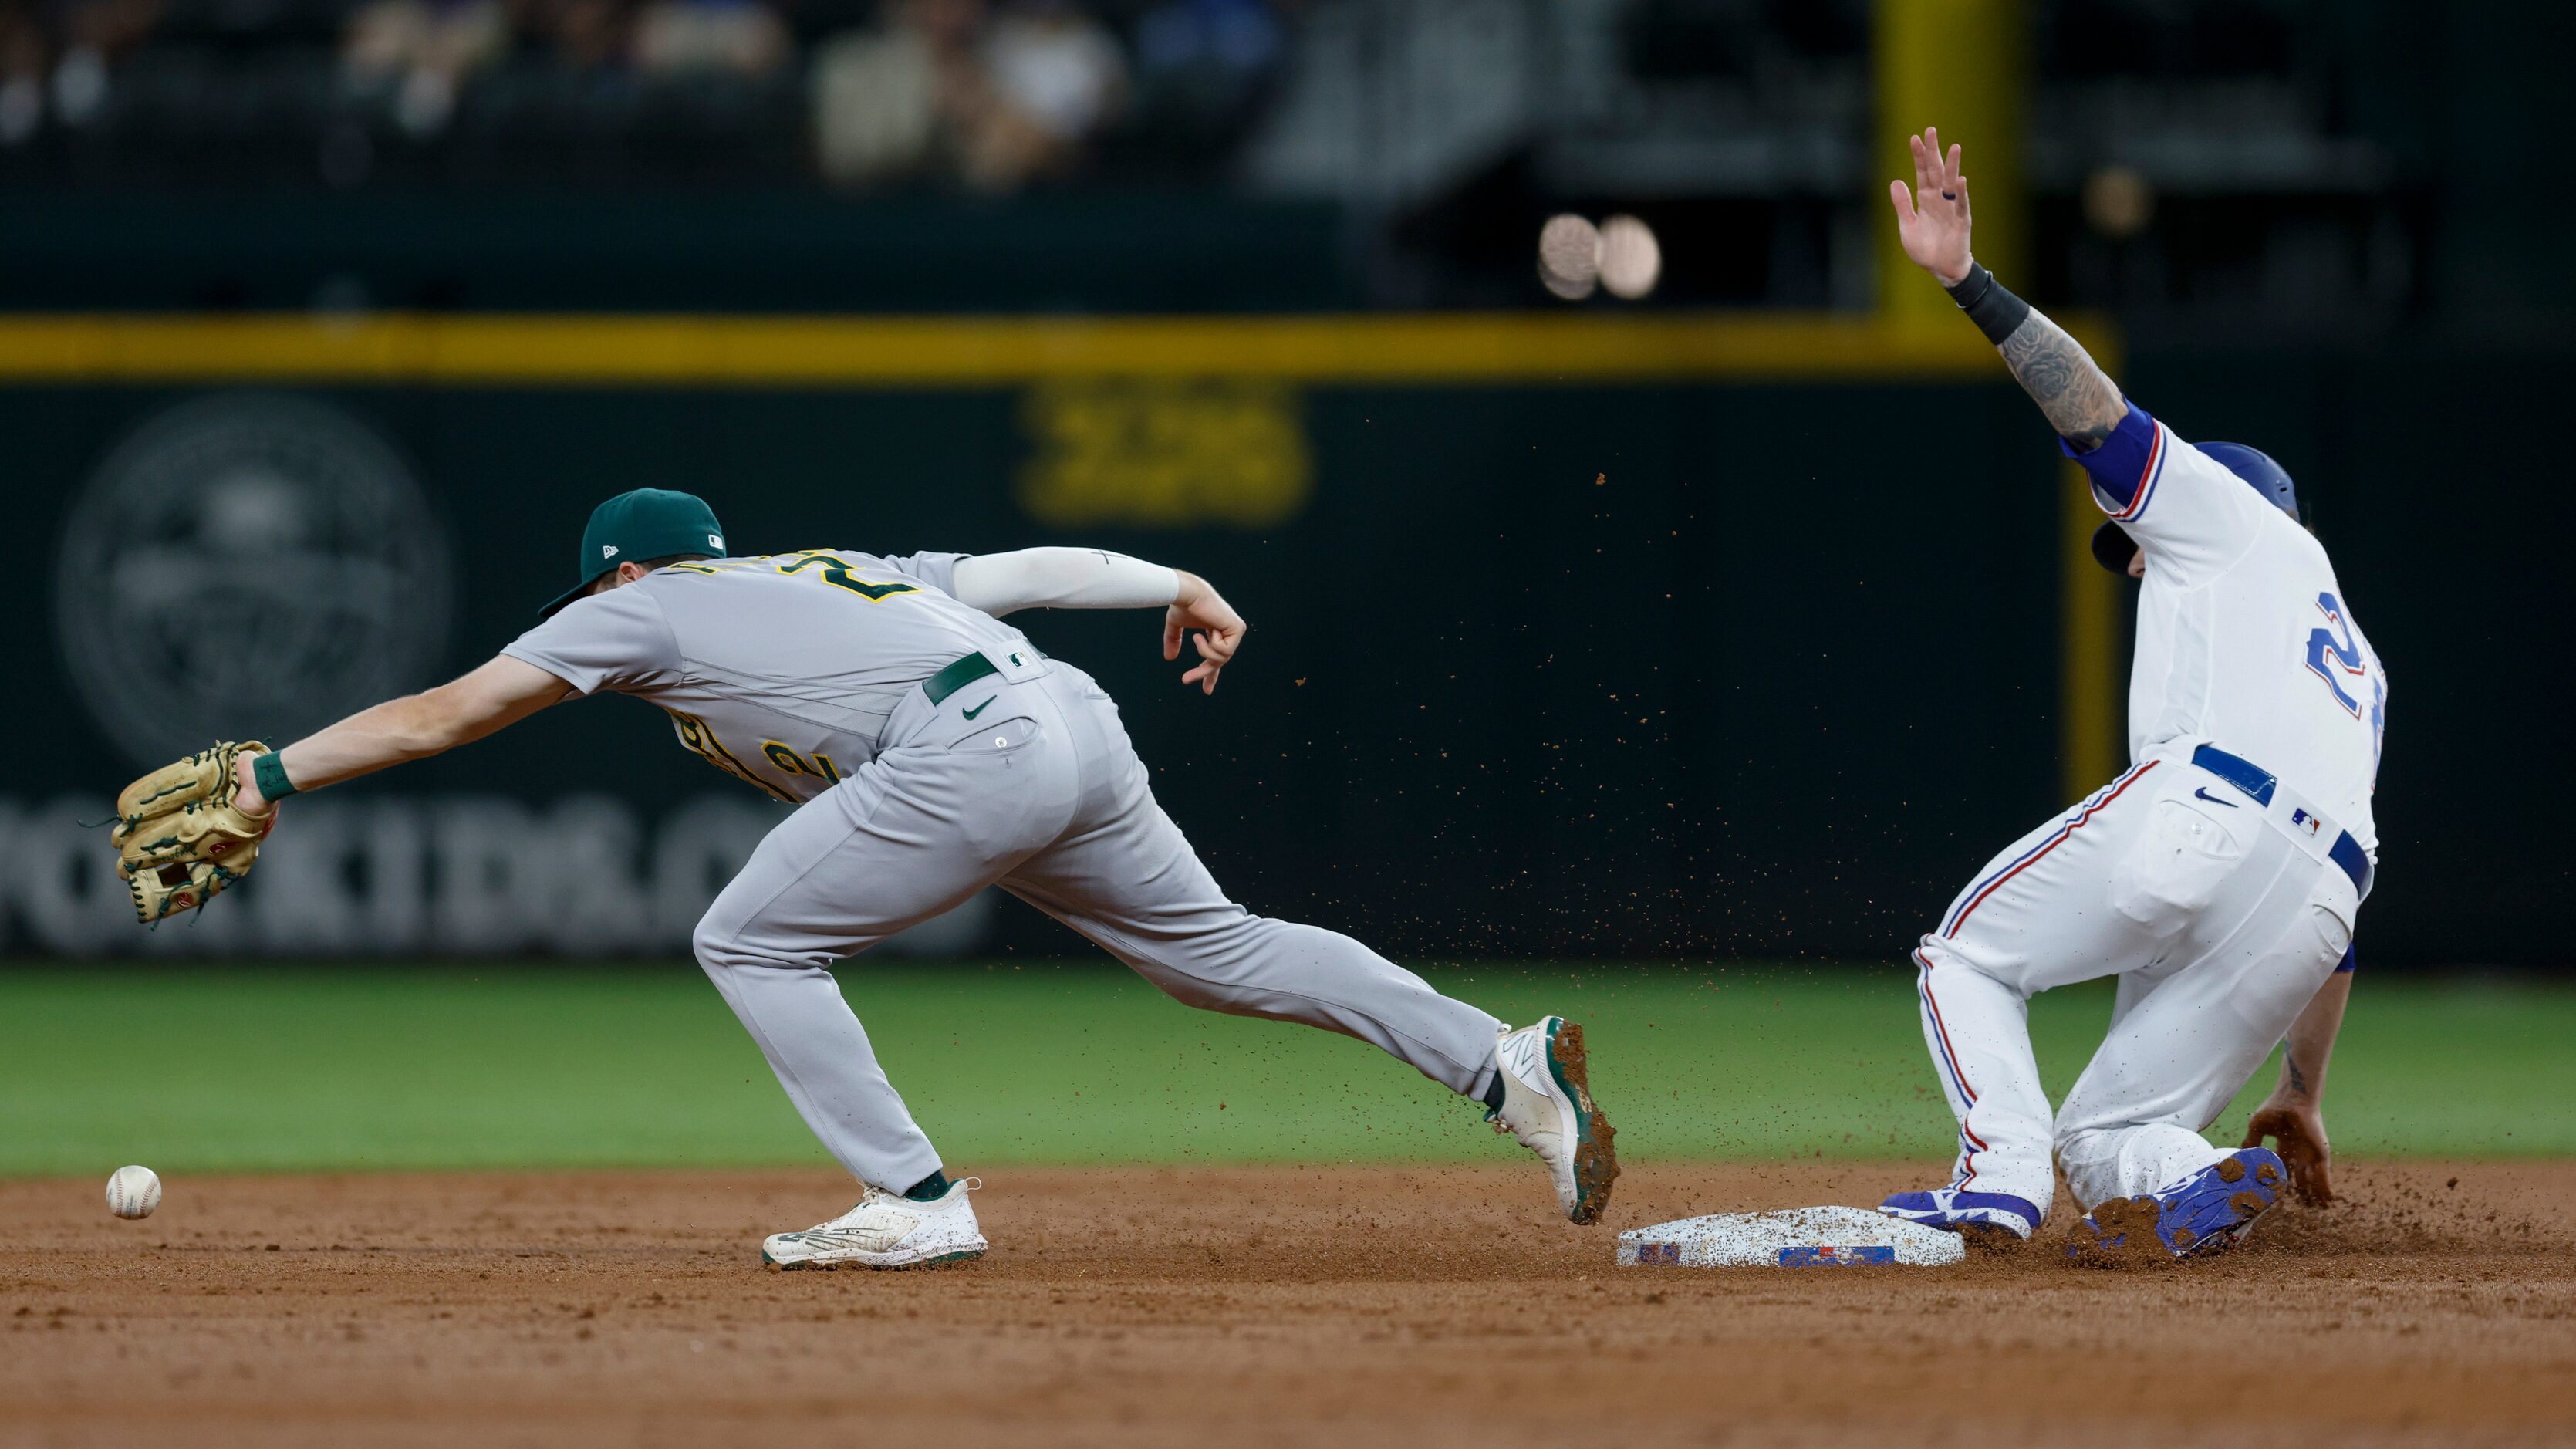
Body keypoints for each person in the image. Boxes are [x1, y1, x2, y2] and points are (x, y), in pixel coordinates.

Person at [167, 488, 1618, 1267]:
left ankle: (916, 1198)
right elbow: (1026, 572)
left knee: (745, 940)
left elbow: (452, 710)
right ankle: (1502, 1068)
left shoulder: (642, 604)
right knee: (1220, 949)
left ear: (614, 577)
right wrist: (1171, 578)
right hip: (1070, 720)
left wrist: (274, 774)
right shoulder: (830, 564)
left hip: (970, 746)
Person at [1874, 128, 2385, 1259]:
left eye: (2136, 539)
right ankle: (2208, 1178)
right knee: (2112, 1135)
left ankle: (1995, 1178)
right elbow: (2334, 938)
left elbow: (2094, 412)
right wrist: (2300, 1089)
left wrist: (1968, 283)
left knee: (1965, 954)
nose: (2134, 556)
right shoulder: (2355, 659)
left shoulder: (2226, 512)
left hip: (2208, 812)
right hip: (2316, 903)